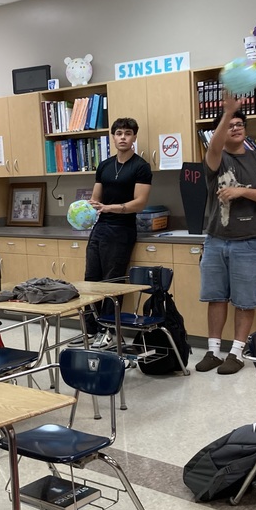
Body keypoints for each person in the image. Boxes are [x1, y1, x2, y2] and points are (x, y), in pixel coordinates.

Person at [194, 92, 256, 375]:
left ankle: (237, 352)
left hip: (251, 240)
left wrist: (241, 190)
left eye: (239, 123)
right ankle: (213, 351)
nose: (236, 127)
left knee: (244, 300)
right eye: (230, 124)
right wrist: (227, 112)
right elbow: (214, 145)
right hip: (217, 240)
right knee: (215, 297)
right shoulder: (216, 159)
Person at [84, 117, 153, 347]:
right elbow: (96, 198)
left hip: (122, 229)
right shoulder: (104, 165)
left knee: (112, 283)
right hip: (100, 227)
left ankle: (108, 331)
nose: (123, 137)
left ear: (134, 137)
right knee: (91, 279)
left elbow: (140, 203)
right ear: (113, 137)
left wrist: (111, 208)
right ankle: (91, 330)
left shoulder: (141, 167)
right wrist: (88, 208)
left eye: (128, 133)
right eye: (119, 133)